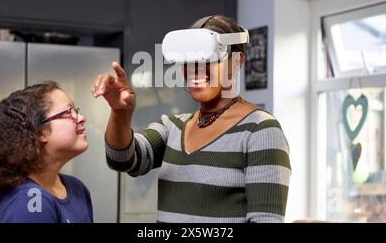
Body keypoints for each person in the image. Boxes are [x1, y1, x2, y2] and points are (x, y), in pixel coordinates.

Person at [92, 15, 291, 223]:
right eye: (188, 59)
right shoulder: (172, 128)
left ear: (236, 62)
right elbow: (123, 160)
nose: (195, 69)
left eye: (207, 58)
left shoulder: (260, 130)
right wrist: (120, 113)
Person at [0, 82, 93, 223]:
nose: (81, 118)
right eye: (68, 112)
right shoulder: (28, 202)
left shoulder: (77, 189)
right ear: (41, 132)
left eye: (76, 111)